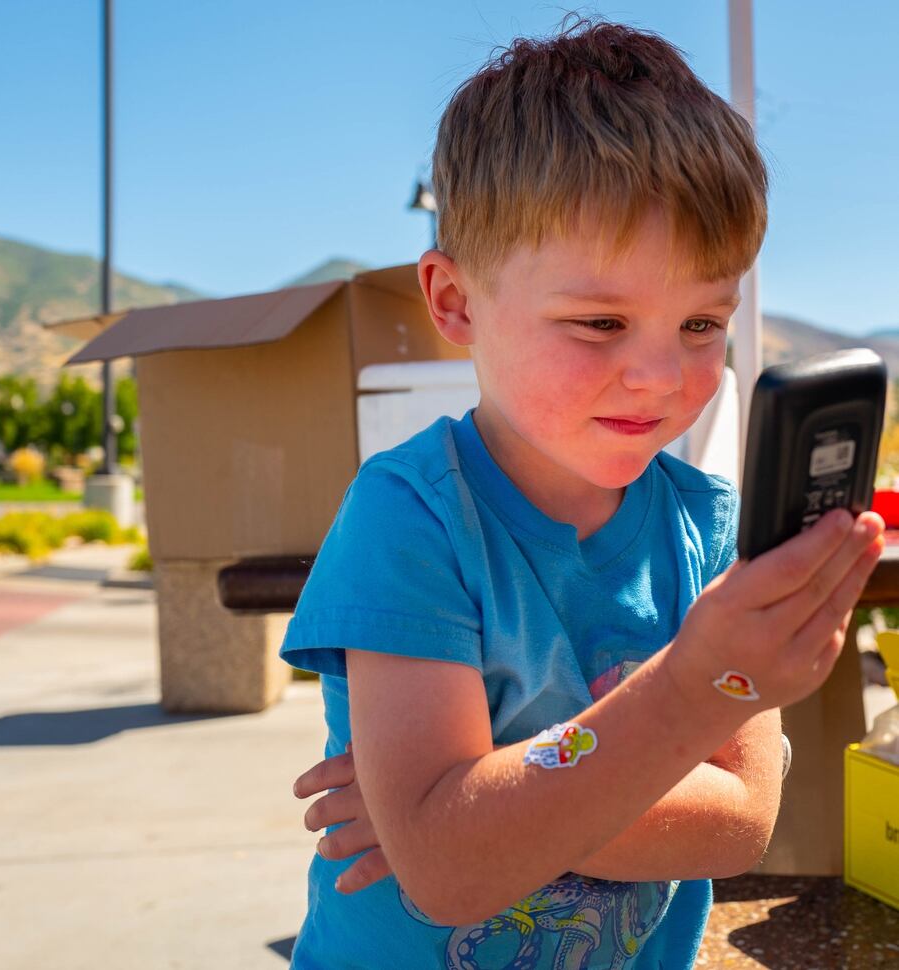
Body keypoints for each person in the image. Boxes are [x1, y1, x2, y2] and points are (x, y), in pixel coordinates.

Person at [278, 14, 885, 969]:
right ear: (455, 303)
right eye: (600, 320)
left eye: (700, 320)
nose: (659, 373)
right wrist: (688, 696)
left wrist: (485, 805)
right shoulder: (412, 516)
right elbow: (448, 872)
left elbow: (740, 827)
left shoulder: (706, 525)